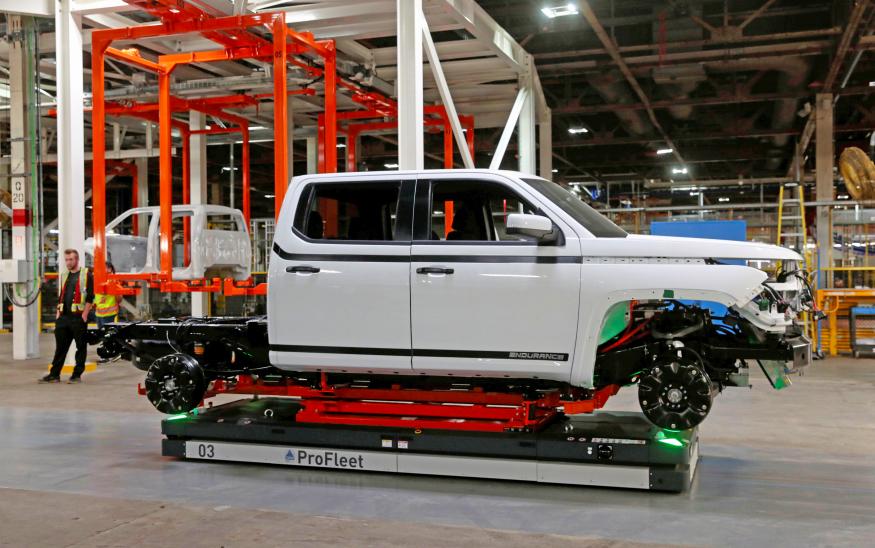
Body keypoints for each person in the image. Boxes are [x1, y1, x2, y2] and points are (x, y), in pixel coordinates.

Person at [40, 249, 94, 384]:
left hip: (78, 318)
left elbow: (90, 297)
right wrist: (58, 315)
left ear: (77, 260)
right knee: (60, 348)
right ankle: (54, 375)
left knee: (80, 347)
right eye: (66, 260)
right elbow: (61, 296)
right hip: (64, 318)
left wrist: (85, 315)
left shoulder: (86, 275)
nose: (68, 262)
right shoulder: (64, 275)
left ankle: (76, 375)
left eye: (71, 259)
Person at [94, 263, 119, 329]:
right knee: (102, 334)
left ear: (110, 269)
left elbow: (119, 298)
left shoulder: (113, 280)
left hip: (109, 314)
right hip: (98, 313)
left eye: (106, 268)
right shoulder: (98, 279)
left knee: (108, 334)